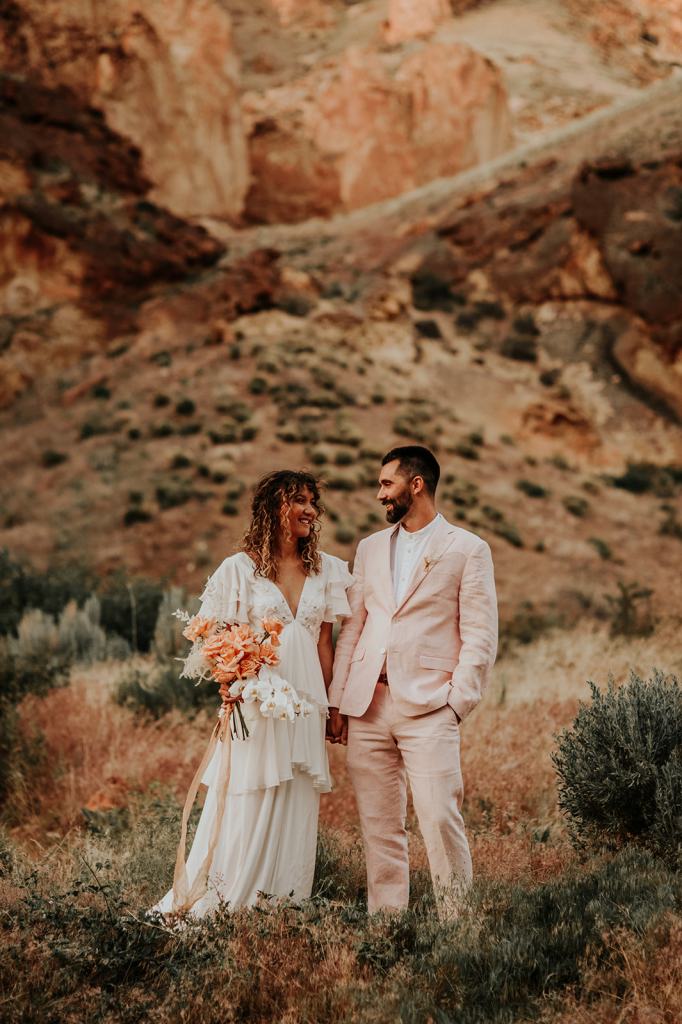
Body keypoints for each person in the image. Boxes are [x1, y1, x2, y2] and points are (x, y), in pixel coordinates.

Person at [152, 470, 353, 918]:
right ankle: (228, 901)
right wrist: (234, 676)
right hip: (257, 702)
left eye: (312, 502)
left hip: (306, 704)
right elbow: (212, 638)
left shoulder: (328, 569)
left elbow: (324, 643)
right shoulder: (239, 569)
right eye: (297, 500)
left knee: (297, 797)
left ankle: (282, 905)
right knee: (249, 795)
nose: (309, 510)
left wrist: (333, 706)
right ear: (271, 507)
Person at [327, 445, 498, 916]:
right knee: (379, 825)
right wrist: (338, 700)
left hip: (429, 707)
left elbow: (481, 635)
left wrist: (457, 702)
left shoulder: (467, 548)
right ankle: (386, 923)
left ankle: (456, 925)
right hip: (368, 705)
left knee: (441, 818)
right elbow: (354, 626)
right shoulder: (369, 548)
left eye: (387, 484)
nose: (380, 493)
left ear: (415, 484)